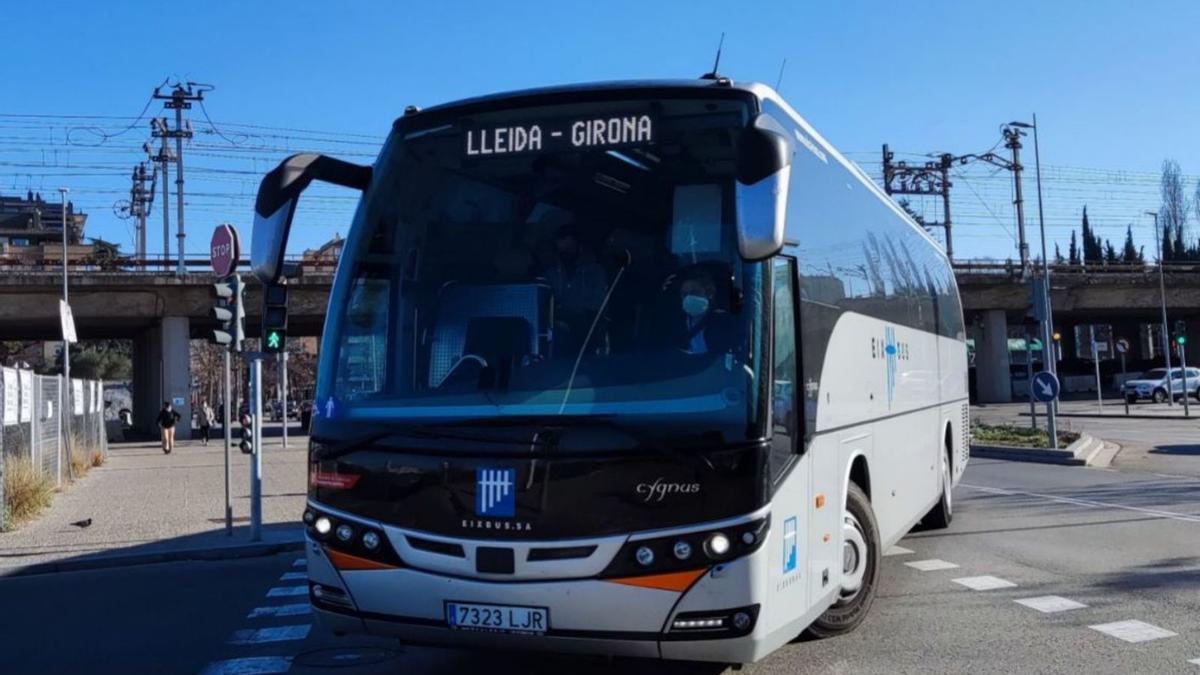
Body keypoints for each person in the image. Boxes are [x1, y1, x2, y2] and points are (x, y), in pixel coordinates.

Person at [543, 224, 608, 350]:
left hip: (588, 324)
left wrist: (571, 310)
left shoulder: (595, 272)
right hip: (558, 323)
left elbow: (598, 303)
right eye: (562, 248)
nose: (566, 251)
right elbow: (545, 301)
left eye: (570, 247)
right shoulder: (551, 274)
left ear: (580, 247)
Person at [671, 267, 737, 355]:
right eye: (684, 294)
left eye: (694, 292)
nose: (688, 297)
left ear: (709, 293)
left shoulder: (721, 321)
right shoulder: (678, 323)